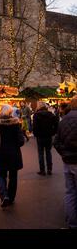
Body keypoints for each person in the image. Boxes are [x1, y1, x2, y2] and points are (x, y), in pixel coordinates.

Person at [54, 96, 77, 229]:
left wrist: (65, 154)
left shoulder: (64, 120)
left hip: (68, 162)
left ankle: (72, 223)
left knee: (70, 192)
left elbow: (56, 142)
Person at [0, 104, 24, 207]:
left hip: (1, 153)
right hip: (14, 154)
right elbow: (21, 141)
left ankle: (4, 195)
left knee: (2, 174)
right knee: (13, 176)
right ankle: (11, 198)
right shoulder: (15, 124)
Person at [33, 101, 58, 176]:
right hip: (48, 136)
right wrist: (53, 132)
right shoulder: (51, 114)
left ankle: (42, 170)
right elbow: (56, 124)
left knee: (40, 153)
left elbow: (35, 126)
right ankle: (49, 169)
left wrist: (36, 134)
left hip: (40, 136)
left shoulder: (36, 115)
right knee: (48, 152)